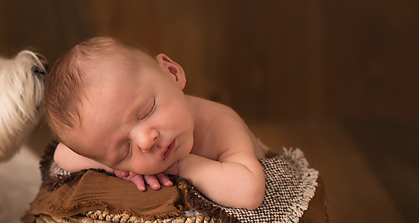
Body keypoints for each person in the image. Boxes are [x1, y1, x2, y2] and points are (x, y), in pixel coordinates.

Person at [44, 37, 266, 210]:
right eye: (125, 150)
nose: (145, 141)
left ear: (172, 73)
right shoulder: (123, 158)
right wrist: (118, 167)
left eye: (147, 111)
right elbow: (61, 154)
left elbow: (250, 192)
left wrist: (181, 166)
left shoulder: (219, 122)